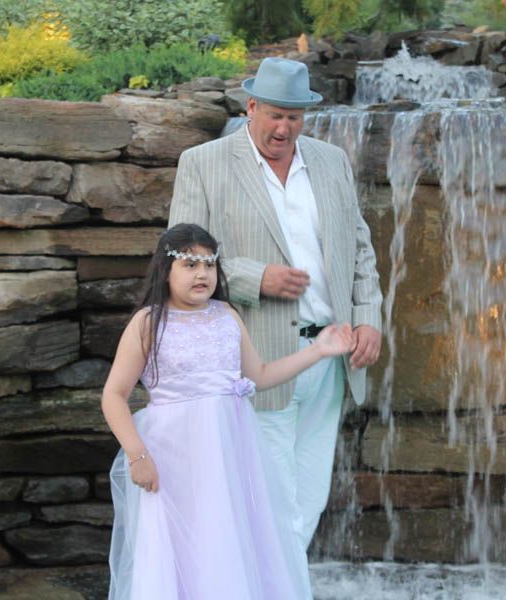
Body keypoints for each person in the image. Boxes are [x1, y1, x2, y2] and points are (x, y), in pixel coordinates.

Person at [168, 57, 382, 553]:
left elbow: (360, 249)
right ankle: (272, 584)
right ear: (251, 108)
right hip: (254, 361)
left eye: (294, 117)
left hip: (330, 357)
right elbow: (177, 259)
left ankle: (274, 583)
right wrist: (254, 277)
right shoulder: (202, 163)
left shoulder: (331, 161)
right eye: (275, 115)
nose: (284, 128)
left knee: (308, 500)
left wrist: (369, 318)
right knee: (272, 504)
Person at [102, 223, 354, 600]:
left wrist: (318, 350)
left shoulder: (226, 316)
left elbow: (260, 375)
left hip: (228, 452)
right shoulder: (149, 323)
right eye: (190, 265)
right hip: (173, 455)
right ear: (165, 270)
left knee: (226, 535)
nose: (202, 274)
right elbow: (114, 395)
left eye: (209, 265)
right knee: (180, 542)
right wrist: (137, 455)